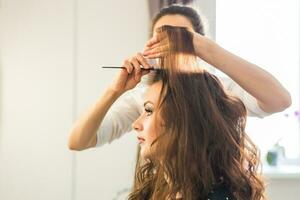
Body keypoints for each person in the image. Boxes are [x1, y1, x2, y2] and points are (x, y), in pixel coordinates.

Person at [68, 5, 291, 151]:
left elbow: (279, 100)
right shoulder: (143, 98)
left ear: (200, 42)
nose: (171, 43)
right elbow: (78, 141)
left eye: (181, 36)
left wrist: (209, 50)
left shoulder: (220, 91)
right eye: (162, 36)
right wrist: (114, 91)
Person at [128, 25, 265, 200]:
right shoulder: (158, 186)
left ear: (184, 119)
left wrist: (206, 48)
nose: (135, 124)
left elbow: (280, 99)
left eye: (148, 111)